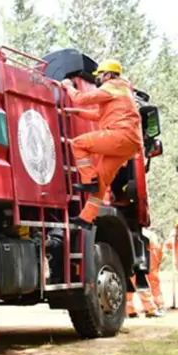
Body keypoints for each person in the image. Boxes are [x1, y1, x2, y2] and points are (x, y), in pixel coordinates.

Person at [61, 59, 143, 230]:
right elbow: (100, 115)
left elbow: (81, 99)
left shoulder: (111, 86)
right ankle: (86, 218)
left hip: (120, 135)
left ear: (107, 75)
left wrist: (69, 86)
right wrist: (77, 113)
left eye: (99, 75)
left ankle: (88, 179)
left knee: (78, 144)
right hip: (130, 141)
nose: (97, 78)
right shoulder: (122, 90)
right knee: (102, 182)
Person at [128, 228, 165, 318]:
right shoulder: (148, 235)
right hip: (146, 251)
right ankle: (152, 308)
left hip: (136, 251)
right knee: (145, 280)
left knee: (131, 280)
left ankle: (129, 310)